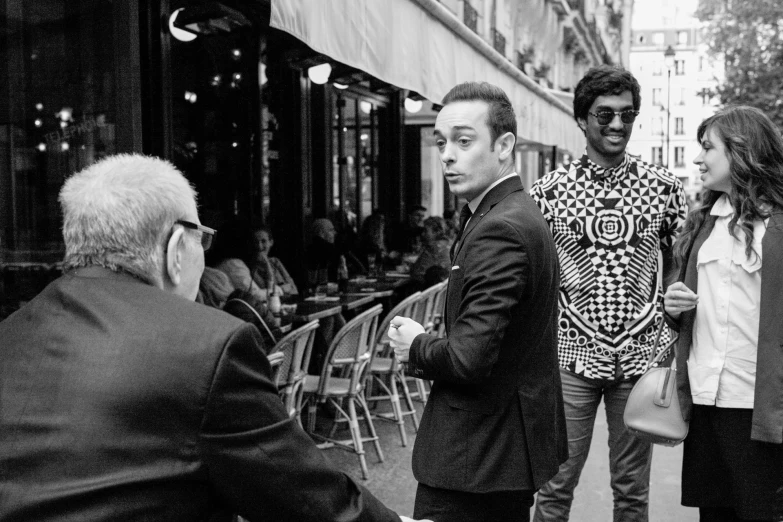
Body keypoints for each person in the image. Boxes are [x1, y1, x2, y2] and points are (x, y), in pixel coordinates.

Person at [0, 154, 420, 522]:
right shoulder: (208, 346)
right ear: (176, 246)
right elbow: (308, 499)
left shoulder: (12, 332)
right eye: (203, 238)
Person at [388, 81, 567, 522]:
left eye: (464, 141)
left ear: (505, 145)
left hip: (477, 459)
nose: (447, 154)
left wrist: (415, 345)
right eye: (441, 142)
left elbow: (469, 359)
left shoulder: (499, 228)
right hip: (497, 454)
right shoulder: (506, 213)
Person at [530, 65, 688, 521]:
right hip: (570, 360)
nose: (618, 124)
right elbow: (533, 273)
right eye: (605, 116)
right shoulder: (549, 194)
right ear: (582, 119)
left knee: (633, 492)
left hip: (641, 361)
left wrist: (669, 318)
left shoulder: (664, 189)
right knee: (555, 487)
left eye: (627, 114)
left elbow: (683, 261)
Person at [663, 106, 783, 522]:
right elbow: (698, 310)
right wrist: (673, 305)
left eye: (707, 148)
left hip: (759, 408)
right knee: (714, 515)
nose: (698, 158)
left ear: (741, 151)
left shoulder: (778, 225)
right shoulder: (704, 224)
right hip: (705, 399)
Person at [252, 226, 299, 297]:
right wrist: (267, 264)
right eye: (256, 242)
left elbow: (294, 289)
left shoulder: (275, 261)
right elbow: (270, 293)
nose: (259, 246)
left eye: (263, 241)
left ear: (271, 242)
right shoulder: (253, 268)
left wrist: (281, 289)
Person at [409, 216, 450, 287]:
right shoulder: (449, 245)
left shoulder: (432, 249)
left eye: (425, 231)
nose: (423, 234)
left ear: (437, 232)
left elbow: (417, 272)